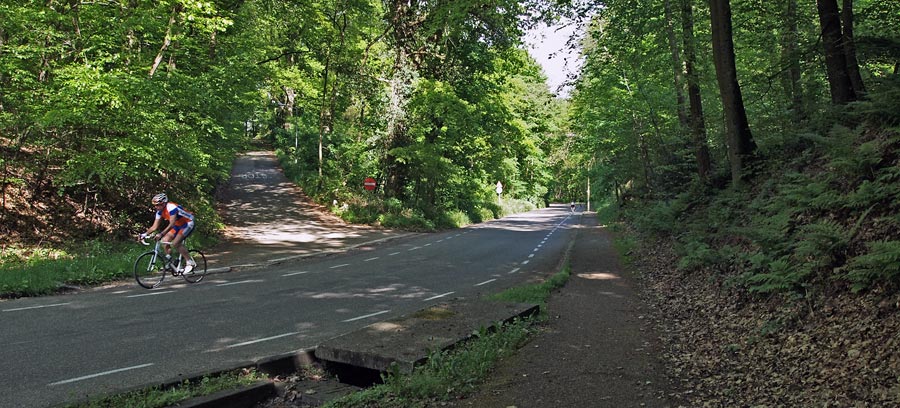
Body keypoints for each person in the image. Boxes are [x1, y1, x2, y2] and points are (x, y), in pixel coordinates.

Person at [139, 193, 197, 273]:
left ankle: (190, 262)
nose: (156, 207)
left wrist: (161, 233)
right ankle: (172, 263)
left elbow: (172, 224)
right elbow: (154, 226)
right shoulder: (159, 211)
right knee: (164, 241)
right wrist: (144, 234)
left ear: (164, 203)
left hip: (188, 222)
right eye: (155, 205)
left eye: (158, 205)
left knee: (176, 243)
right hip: (178, 225)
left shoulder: (171, 207)